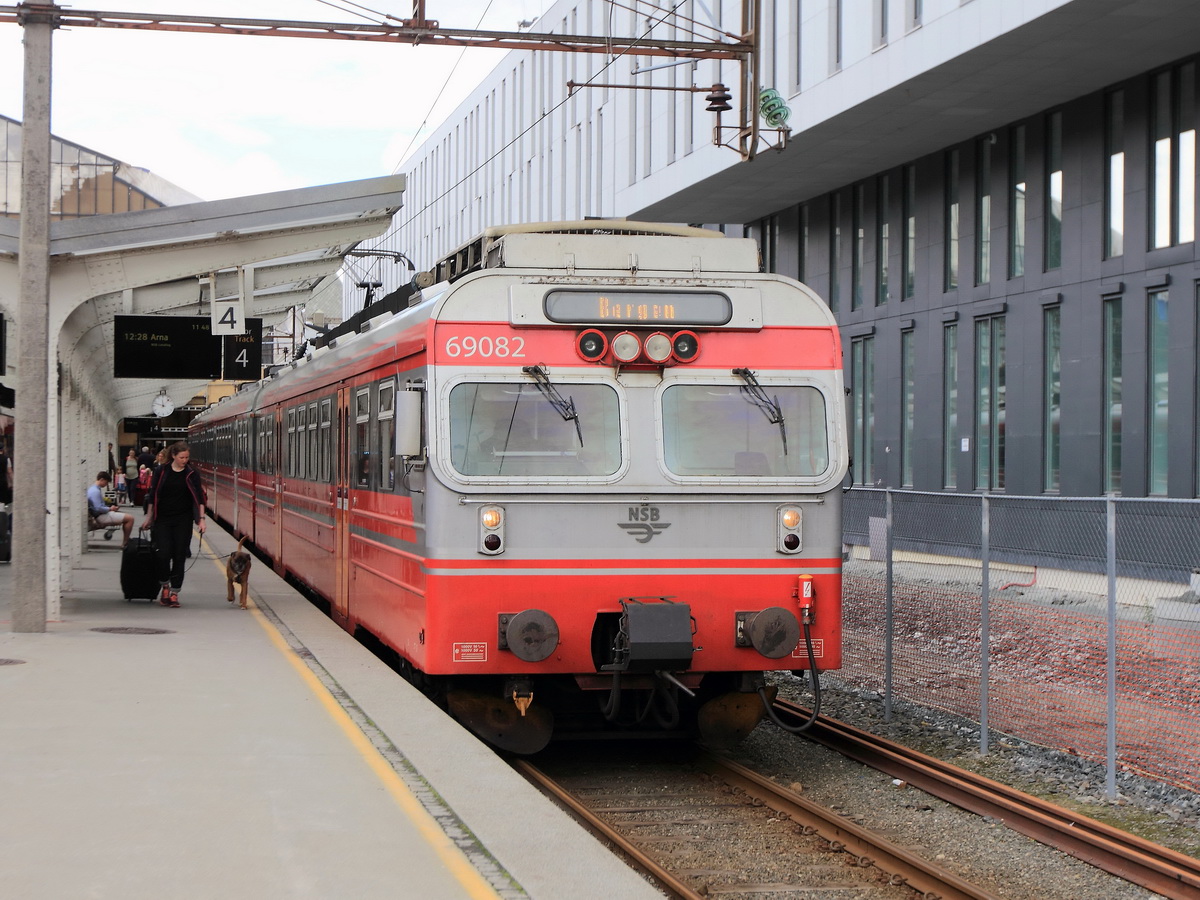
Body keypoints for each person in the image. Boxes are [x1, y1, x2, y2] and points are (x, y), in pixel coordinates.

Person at [140, 441, 207, 608]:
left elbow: (199, 497)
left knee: (179, 555)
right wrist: (149, 517)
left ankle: (174, 592)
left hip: (183, 520)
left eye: (187, 457)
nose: (185, 460)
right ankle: (164, 584)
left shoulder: (192, 474)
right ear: (173, 456)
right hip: (162, 519)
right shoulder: (161, 471)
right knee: (162, 553)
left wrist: (201, 519)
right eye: (182, 457)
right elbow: (153, 494)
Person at [87, 471, 134, 548]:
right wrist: (110, 509)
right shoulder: (95, 491)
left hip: (98, 515)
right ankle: (125, 542)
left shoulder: (92, 489)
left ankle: (126, 542)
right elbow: (98, 508)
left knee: (127, 517)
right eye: (106, 482)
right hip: (101, 516)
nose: (106, 484)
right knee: (130, 519)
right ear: (102, 479)